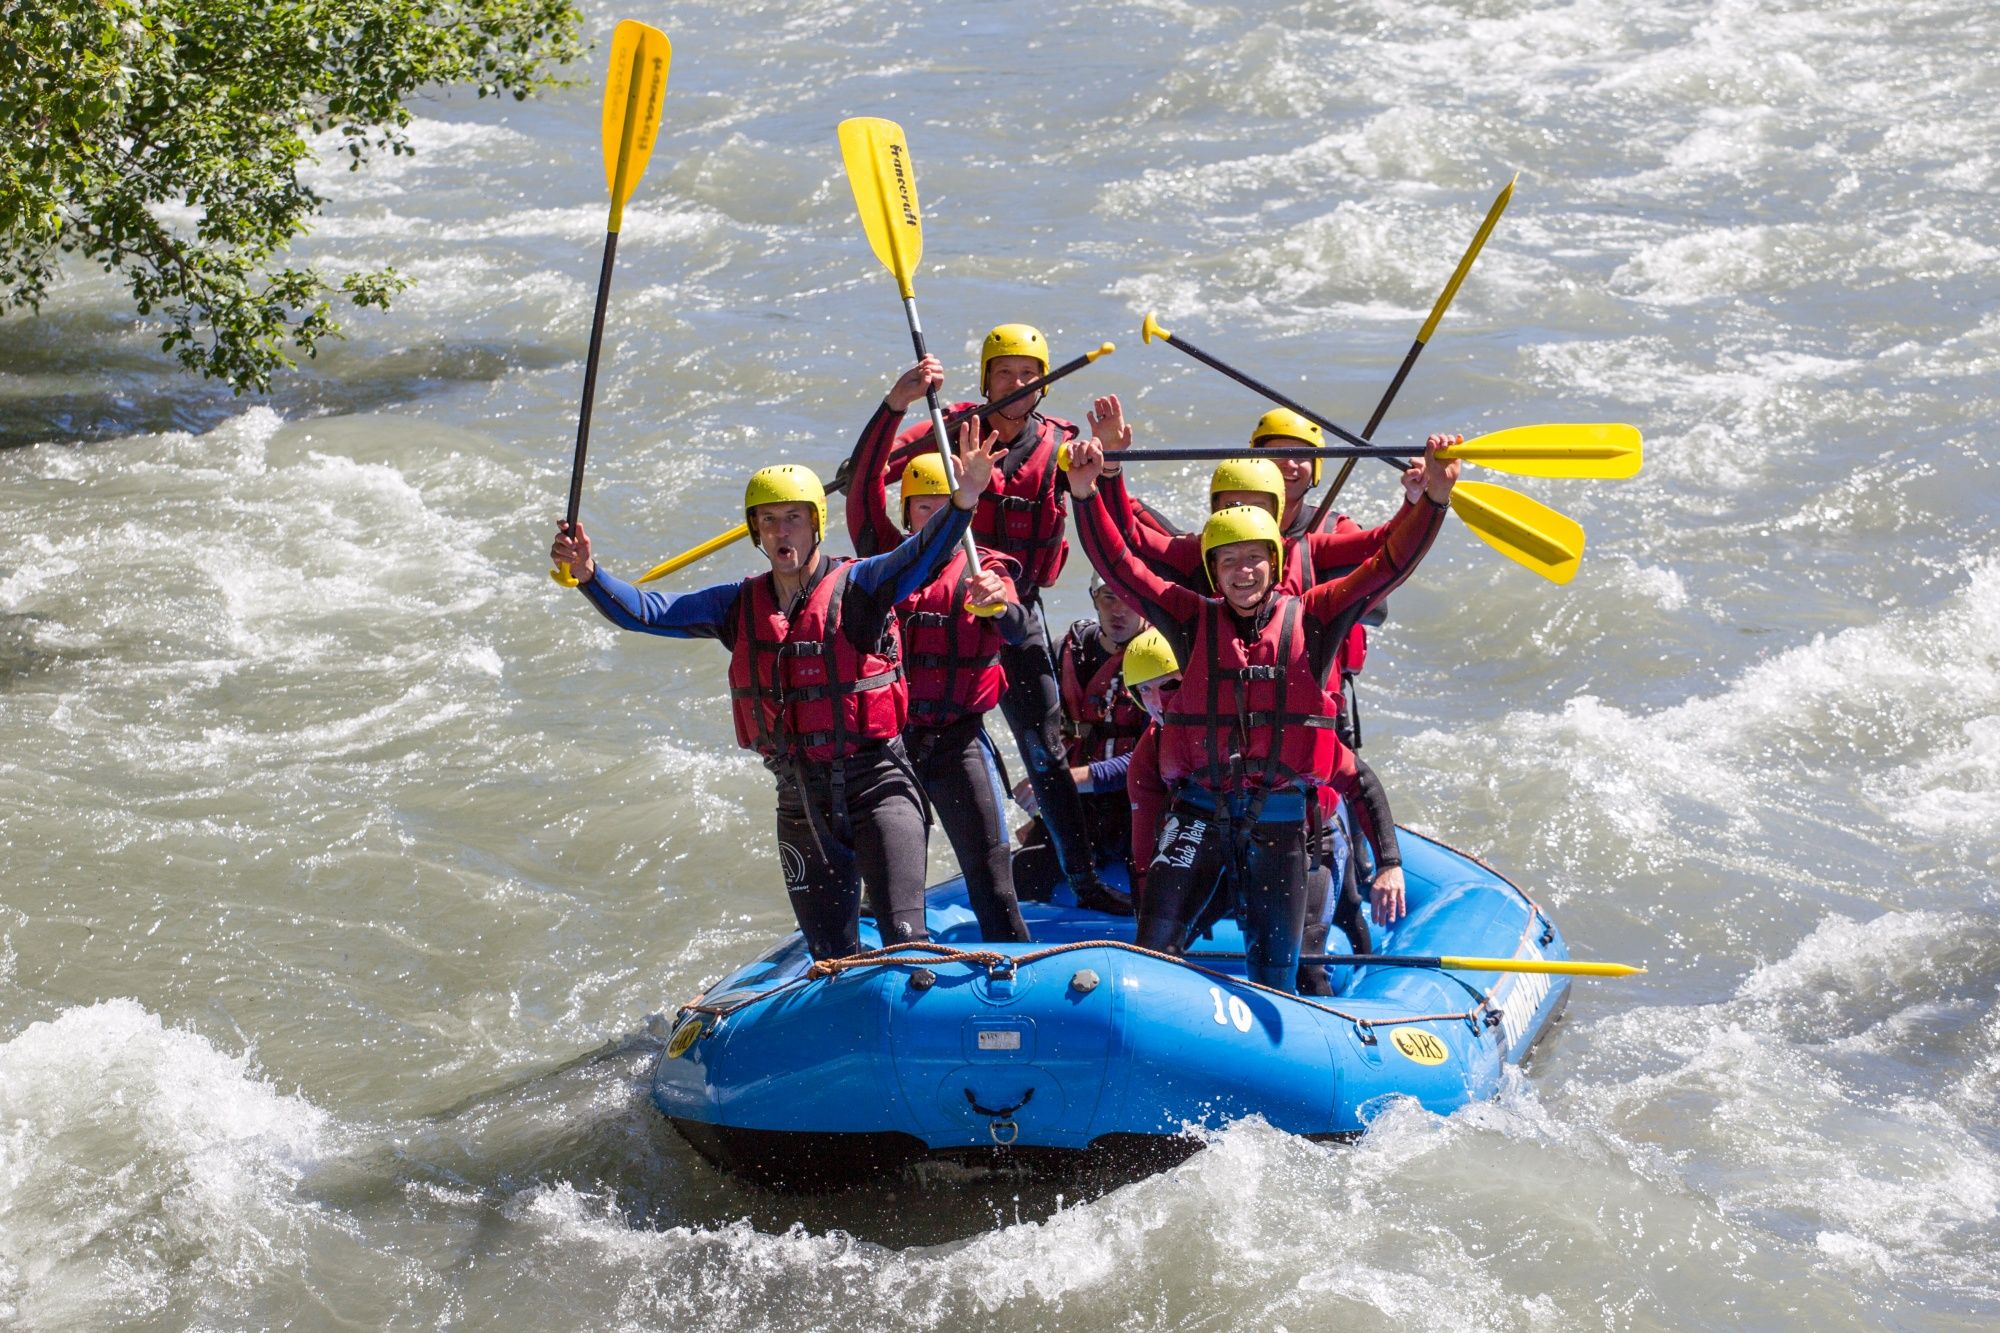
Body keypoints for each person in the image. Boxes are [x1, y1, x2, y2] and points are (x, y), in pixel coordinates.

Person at [548, 424, 1000, 961]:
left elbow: (925, 554)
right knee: (830, 957)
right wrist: (590, 573)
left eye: (794, 518)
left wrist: (965, 496)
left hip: (878, 787)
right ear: (755, 532)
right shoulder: (736, 606)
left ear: (815, 524)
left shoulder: (863, 584)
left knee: (905, 943)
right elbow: (647, 613)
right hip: (799, 800)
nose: (781, 530)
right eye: (768, 520)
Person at [1064, 431, 1460, 992]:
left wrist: (1433, 501)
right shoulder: (1187, 616)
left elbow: (1388, 564)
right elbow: (1123, 565)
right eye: (1229, 561)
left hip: (1279, 821)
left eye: (1254, 559)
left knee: (1276, 970)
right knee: (1155, 945)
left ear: (1274, 562)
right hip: (1198, 813)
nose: (1242, 572)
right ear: (1213, 567)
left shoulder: (1318, 616)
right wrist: (1085, 494)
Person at [849, 329, 1130, 914]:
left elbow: (1101, 516)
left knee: (1045, 747)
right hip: (939, 610)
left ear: (1044, 383)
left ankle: (1080, 878)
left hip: (1011, 612)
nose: (1017, 385)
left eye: (1030, 374)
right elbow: (863, 476)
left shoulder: (1060, 446)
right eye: (1005, 373)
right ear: (985, 379)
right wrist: (897, 405)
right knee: (903, 749)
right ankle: (889, 893)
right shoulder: (945, 426)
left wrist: (1108, 465)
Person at [846, 363, 1032, 943]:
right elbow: (862, 484)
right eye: (921, 507)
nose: (931, 516)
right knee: (893, 897)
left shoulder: (987, 568)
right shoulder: (883, 563)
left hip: (956, 742)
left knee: (994, 885)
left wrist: (998, 605)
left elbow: (1021, 631)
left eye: (941, 504)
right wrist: (893, 406)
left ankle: (1014, 976)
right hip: (890, 749)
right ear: (906, 515)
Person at [1012, 575, 1150, 900]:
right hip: (1079, 804)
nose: (1119, 611)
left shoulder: (1162, 661)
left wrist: (1060, 781)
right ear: (1093, 599)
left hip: (1136, 807)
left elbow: (1152, 761)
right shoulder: (1068, 650)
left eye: (1130, 598)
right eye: (1108, 597)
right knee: (1024, 873)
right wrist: (1043, 805)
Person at [1116, 627, 1179, 909]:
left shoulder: (1245, 722)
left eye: (1168, 685)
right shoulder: (1150, 752)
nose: (1157, 702)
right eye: (1144, 689)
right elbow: (1144, 857)